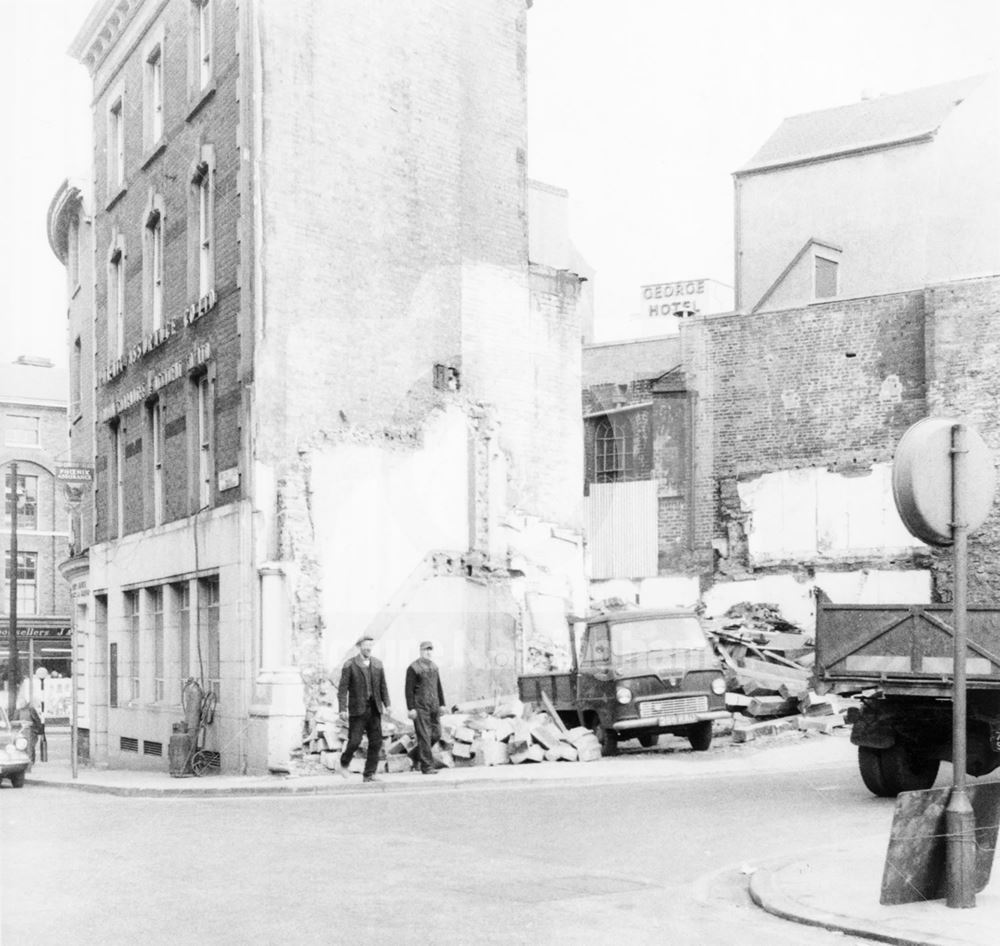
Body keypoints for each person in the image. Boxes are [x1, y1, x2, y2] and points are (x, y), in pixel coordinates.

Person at [337, 635, 391, 782]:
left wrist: (388, 704)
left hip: (374, 709)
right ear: (359, 646)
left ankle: (369, 774)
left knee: (376, 742)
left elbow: (383, 687)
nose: (368, 648)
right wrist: (342, 709)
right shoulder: (350, 664)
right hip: (357, 710)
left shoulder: (378, 664)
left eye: (370, 645)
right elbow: (342, 689)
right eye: (365, 645)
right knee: (354, 741)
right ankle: (343, 763)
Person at [405, 641, 446, 775]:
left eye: (430, 650)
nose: (428, 652)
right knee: (424, 736)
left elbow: (438, 687)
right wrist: (411, 708)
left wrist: (442, 704)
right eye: (425, 650)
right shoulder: (413, 668)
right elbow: (408, 690)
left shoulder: (434, 667)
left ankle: (415, 755)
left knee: (437, 734)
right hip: (420, 707)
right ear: (420, 651)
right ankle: (427, 767)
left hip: (434, 706)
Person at [16, 699, 45, 768]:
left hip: (31, 732)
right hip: (21, 732)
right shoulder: (18, 711)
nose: (20, 705)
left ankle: (30, 763)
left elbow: (37, 721)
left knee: (30, 748)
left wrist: (34, 727)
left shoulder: (31, 710)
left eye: (22, 703)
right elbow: (14, 721)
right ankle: (27, 762)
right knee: (24, 748)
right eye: (20, 703)